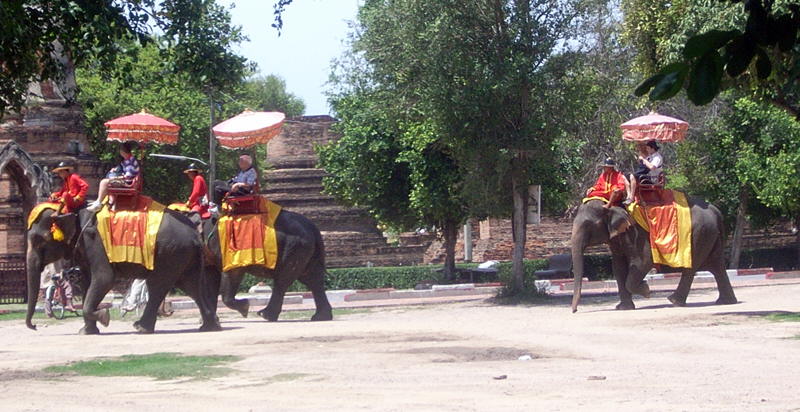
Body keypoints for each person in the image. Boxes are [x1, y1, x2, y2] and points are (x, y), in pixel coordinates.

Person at [86, 142, 140, 212]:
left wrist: (115, 178)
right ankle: (103, 202)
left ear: (122, 151)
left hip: (127, 183)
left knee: (104, 182)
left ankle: (98, 203)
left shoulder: (130, 162)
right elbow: (121, 167)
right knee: (109, 178)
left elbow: (128, 177)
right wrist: (115, 169)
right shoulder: (127, 160)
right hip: (126, 180)